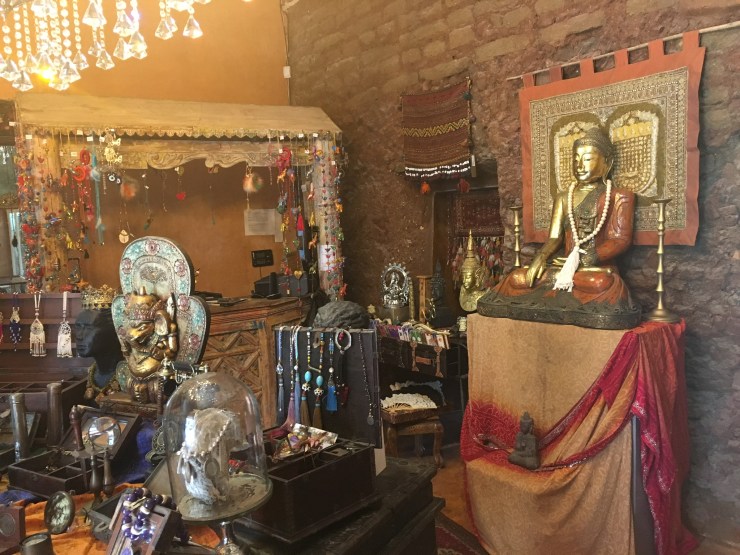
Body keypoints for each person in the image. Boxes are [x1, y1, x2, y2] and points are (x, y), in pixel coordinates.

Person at [477, 127, 641, 329]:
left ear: (607, 163)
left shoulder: (619, 197)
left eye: (587, 159)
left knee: (602, 283)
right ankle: (554, 297)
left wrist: (588, 257)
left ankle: (557, 297)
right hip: (563, 268)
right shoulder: (564, 198)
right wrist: (540, 258)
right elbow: (555, 238)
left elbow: (620, 239)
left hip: (593, 268)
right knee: (517, 277)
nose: (579, 165)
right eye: (575, 159)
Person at [458, 231, 487, 313]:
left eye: (468, 277)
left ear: (477, 275)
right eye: (463, 277)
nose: (464, 281)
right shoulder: (463, 292)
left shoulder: (483, 295)